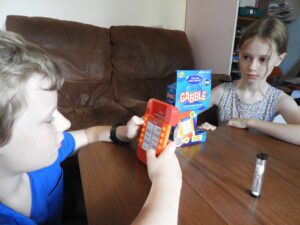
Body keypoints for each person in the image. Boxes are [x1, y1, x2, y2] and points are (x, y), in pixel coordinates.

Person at [0, 30, 182, 225]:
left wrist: (123, 133)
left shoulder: (41, 159)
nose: (65, 124)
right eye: (47, 119)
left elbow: (88, 134)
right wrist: (167, 181)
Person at [200, 17, 300, 145]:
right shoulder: (222, 92)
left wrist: (249, 122)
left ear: (279, 59)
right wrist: (212, 132)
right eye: (246, 57)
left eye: (263, 59)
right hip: (222, 160)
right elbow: (182, 112)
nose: (252, 67)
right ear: (239, 53)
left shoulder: (278, 100)